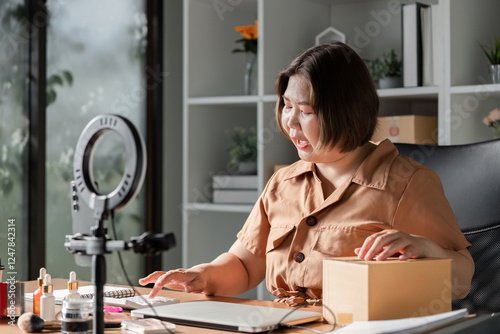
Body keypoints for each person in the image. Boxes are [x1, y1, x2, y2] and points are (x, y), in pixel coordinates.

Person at [140, 42, 474, 304]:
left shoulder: (408, 184)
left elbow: (462, 276)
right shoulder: (283, 183)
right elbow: (244, 265)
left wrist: (426, 249)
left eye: (306, 111)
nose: (289, 122)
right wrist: (199, 276)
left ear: (345, 112)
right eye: (286, 106)